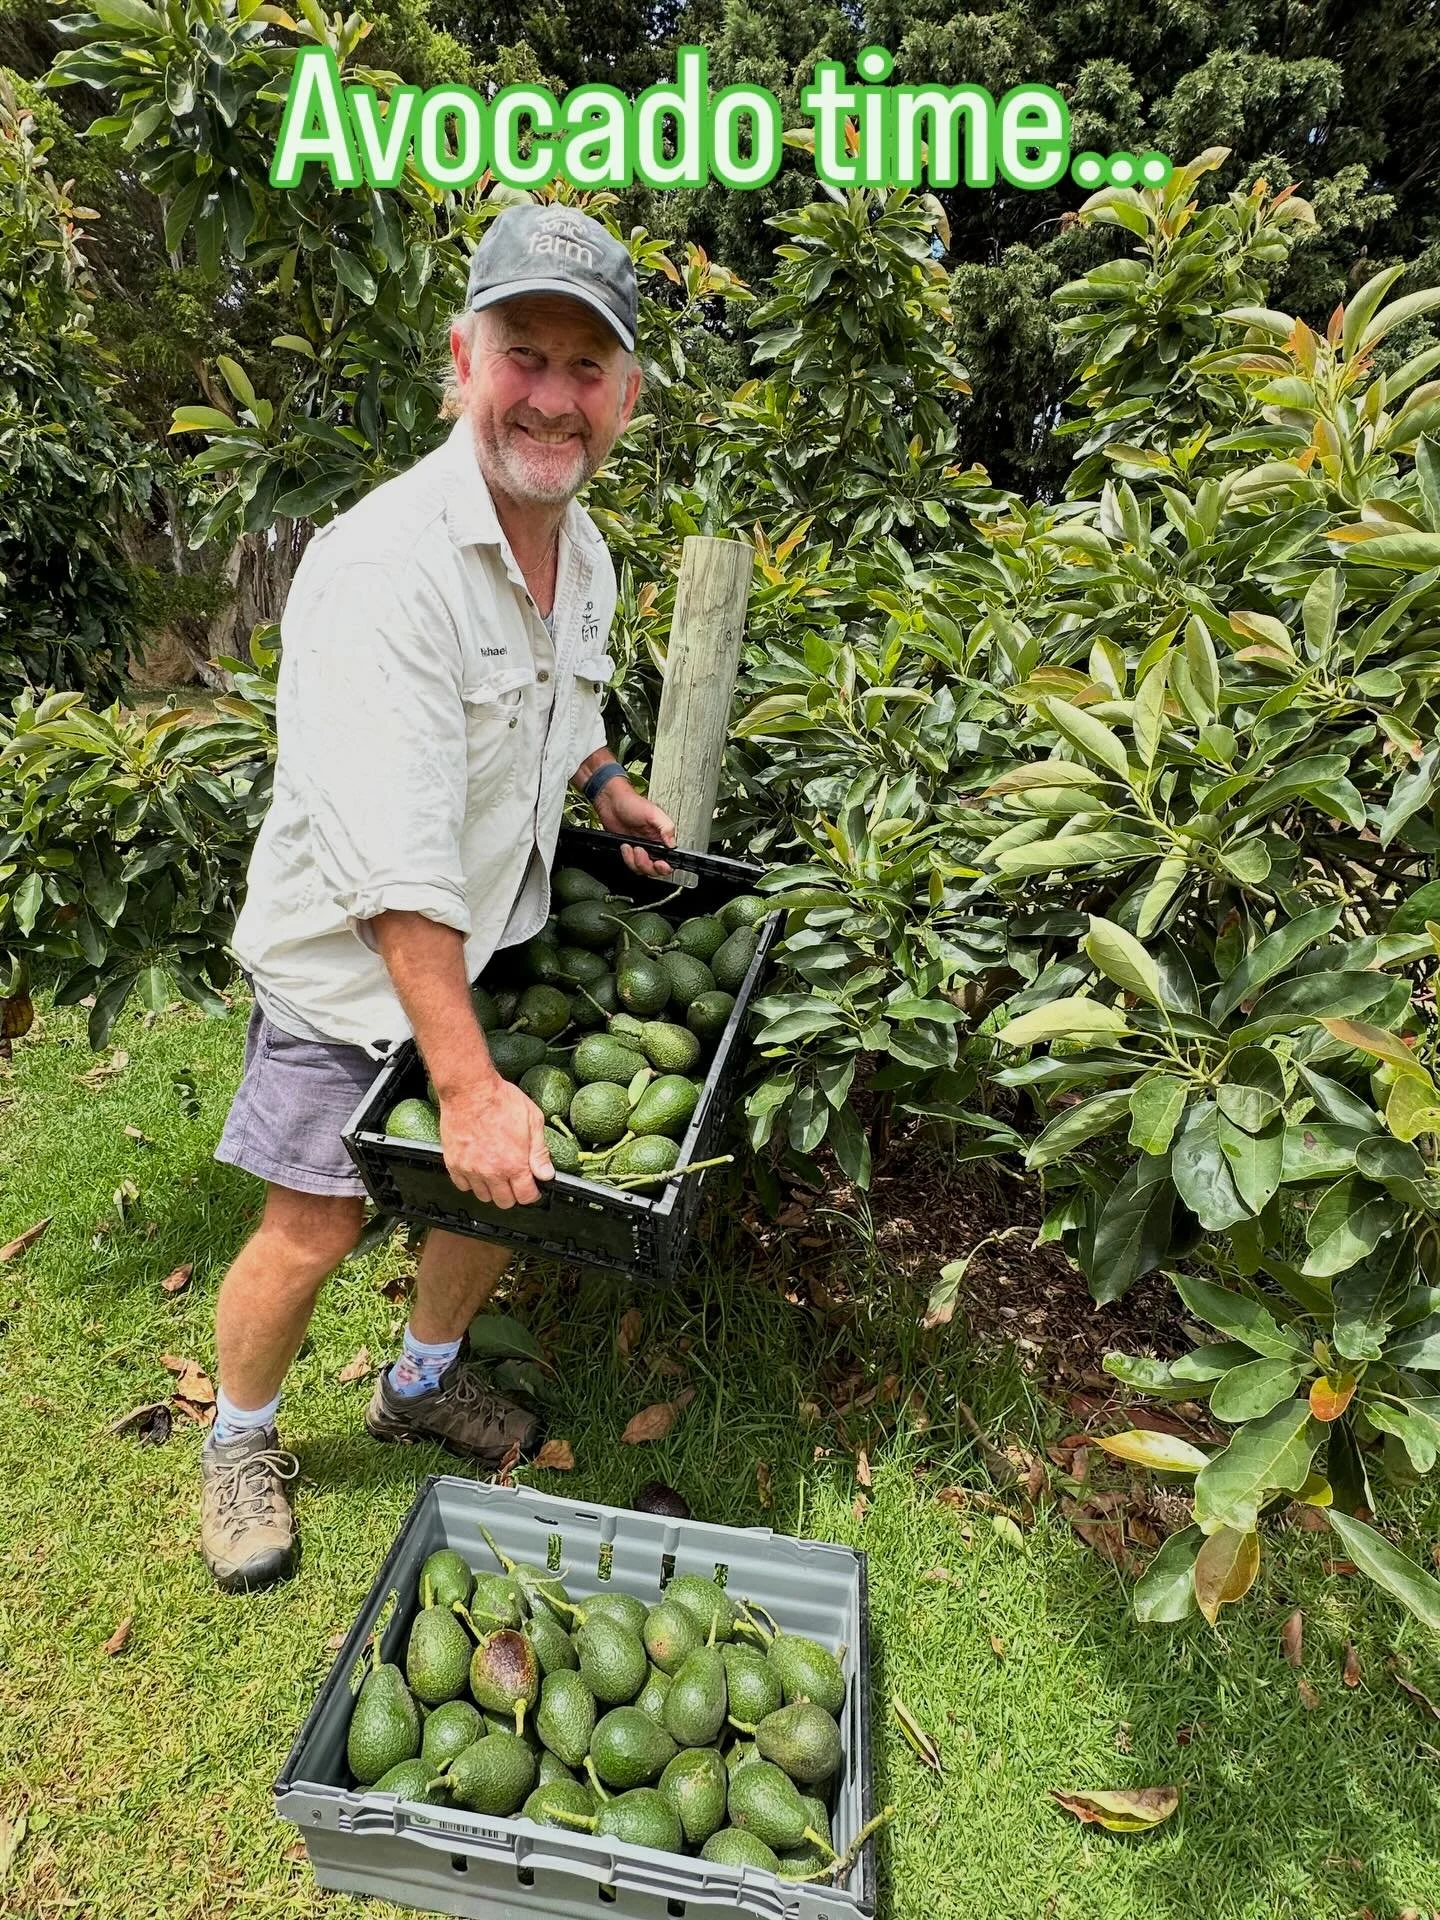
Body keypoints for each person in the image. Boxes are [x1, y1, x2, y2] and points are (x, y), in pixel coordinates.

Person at [200, 205, 676, 1593]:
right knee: (318, 1218)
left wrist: (602, 781)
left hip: (496, 938)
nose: (553, 395)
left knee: (500, 1189)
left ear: (625, 398)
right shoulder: (386, 568)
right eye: (525, 354)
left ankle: (421, 1381)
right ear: (462, 362)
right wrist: (461, 1083)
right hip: (354, 969)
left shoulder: (579, 550)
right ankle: (240, 1438)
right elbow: (396, 874)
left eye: (587, 371)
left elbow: (561, 697)